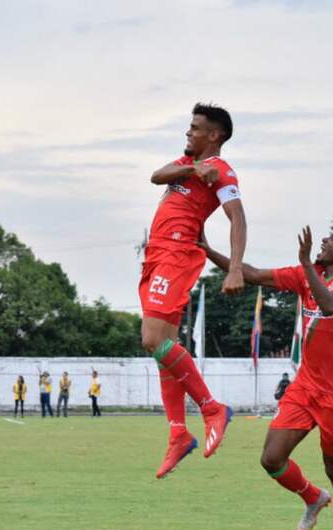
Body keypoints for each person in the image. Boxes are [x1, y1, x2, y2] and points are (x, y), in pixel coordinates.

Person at [202, 225, 333, 530]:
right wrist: (207, 249)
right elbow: (250, 274)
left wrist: (306, 264)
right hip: (305, 386)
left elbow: (330, 305)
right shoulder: (306, 274)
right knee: (271, 459)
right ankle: (313, 497)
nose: (325, 239)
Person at [141, 103, 245, 478]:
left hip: (177, 253)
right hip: (156, 254)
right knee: (163, 352)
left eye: (195, 128)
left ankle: (210, 407)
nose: (188, 133)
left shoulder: (221, 170)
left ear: (214, 135)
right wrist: (190, 167)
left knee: (153, 340)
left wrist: (234, 268)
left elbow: (238, 216)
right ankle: (178, 434)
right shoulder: (186, 163)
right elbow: (157, 176)